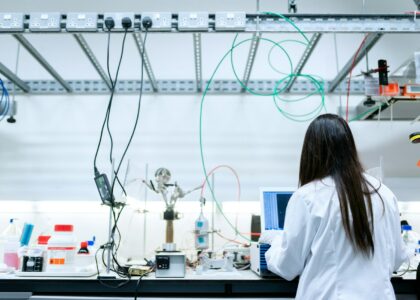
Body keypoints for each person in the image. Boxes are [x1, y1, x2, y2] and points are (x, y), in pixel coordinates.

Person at [264, 113, 408, 300]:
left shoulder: (308, 197)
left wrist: (274, 241)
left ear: (310, 152)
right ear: (350, 147)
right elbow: (397, 259)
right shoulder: (383, 193)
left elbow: (287, 266)